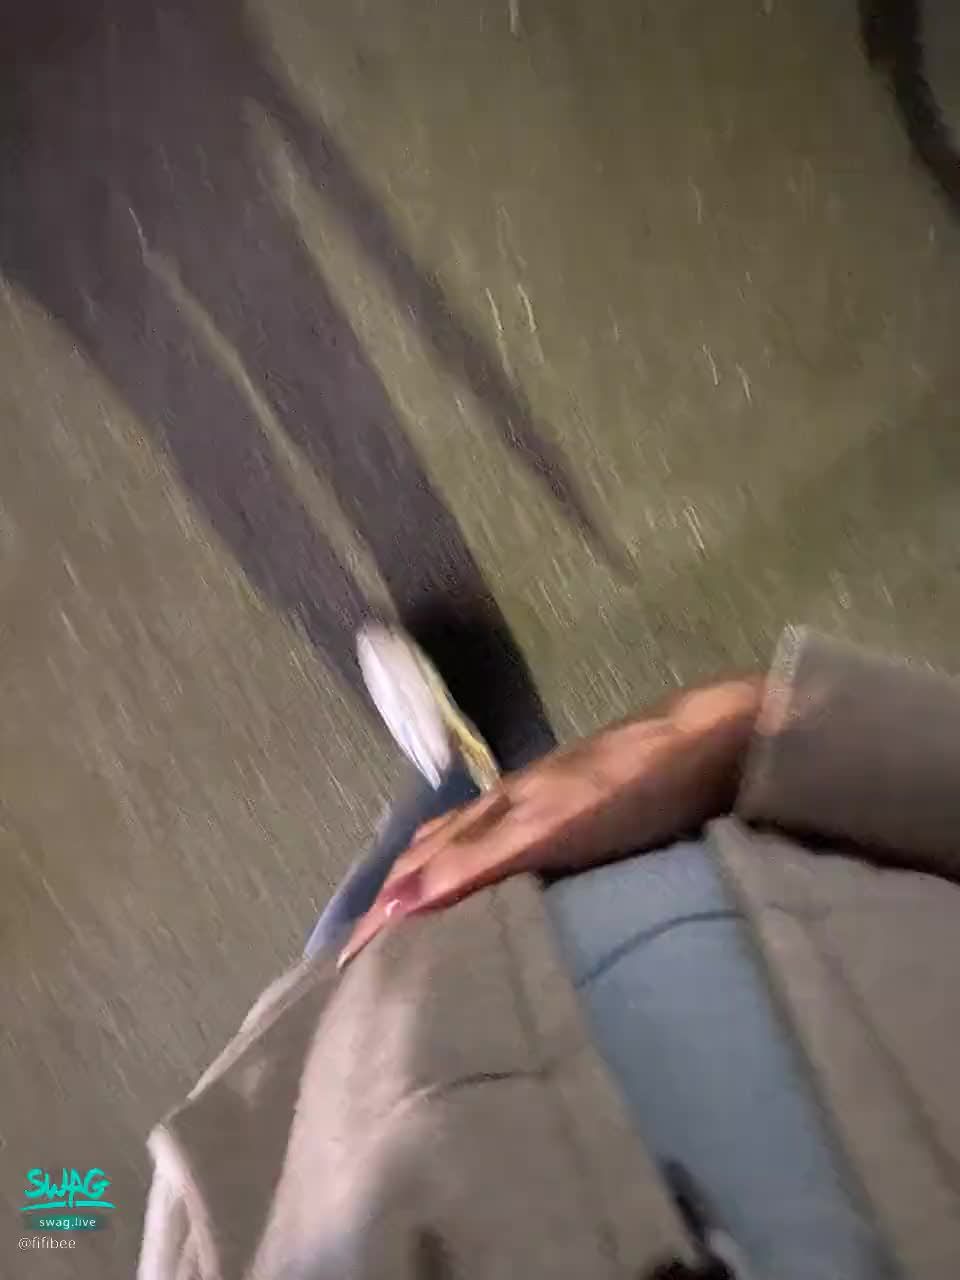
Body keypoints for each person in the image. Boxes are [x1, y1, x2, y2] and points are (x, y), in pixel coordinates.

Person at [138, 624, 960, 1280]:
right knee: (402, 895)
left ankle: (448, 778)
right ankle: (450, 782)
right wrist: (771, 726)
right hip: (723, 869)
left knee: (355, 944)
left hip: (347, 1076)